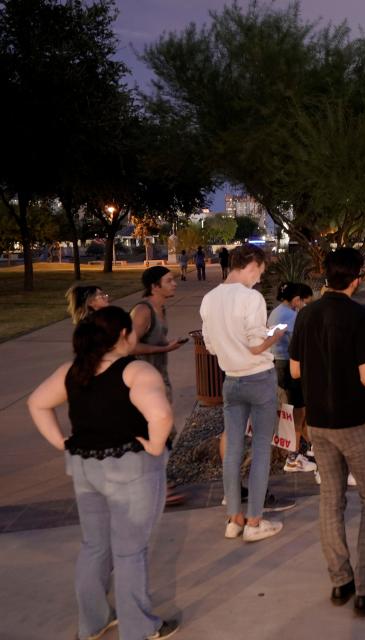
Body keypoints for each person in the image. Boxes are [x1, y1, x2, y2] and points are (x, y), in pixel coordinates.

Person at [26, 307, 180, 640]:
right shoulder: (136, 371)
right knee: (129, 552)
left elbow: (37, 402)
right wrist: (155, 446)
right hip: (132, 468)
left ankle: (92, 623)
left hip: (84, 466)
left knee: (94, 546)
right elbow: (162, 414)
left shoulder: (74, 370)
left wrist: (62, 443)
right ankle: (139, 628)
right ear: (124, 334)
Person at [288, 248, 365, 614]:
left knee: (331, 501)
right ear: (356, 278)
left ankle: (340, 581)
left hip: (319, 423)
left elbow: (294, 371)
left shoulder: (306, 314)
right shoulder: (357, 315)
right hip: (355, 422)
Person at [200, 244, 292, 543]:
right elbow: (256, 344)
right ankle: (254, 520)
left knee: (233, 451)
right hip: (258, 378)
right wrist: (275, 333)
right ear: (251, 265)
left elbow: (211, 346)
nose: (259, 280)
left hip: (231, 380)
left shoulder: (210, 299)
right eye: (260, 273)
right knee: (262, 448)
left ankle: (233, 519)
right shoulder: (249, 297)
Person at [268, 282, 316, 475]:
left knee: (293, 411)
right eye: (302, 300)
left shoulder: (277, 311)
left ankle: (306, 449)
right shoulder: (291, 315)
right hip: (288, 366)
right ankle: (293, 457)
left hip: (278, 364)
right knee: (298, 412)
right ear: (296, 299)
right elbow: (302, 341)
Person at [130, 266, 187, 395]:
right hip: (143, 381)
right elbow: (130, 347)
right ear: (155, 286)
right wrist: (165, 348)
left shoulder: (160, 308)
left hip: (159, 376)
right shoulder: (142, 311)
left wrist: (167, 343)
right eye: (169, 281)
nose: (174, 284)